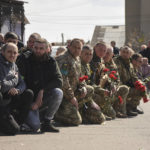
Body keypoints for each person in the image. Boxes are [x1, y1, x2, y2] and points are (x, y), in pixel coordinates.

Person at [17, 38, 63, 132]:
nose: (38, 50)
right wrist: (31, 102)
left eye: (41, 48)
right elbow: (19, 81)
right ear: (32, 47)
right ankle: (23, 119)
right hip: (27, 98)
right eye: (36, 47)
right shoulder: (24, 58)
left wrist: (42, 90)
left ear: (47, 49)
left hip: (42, 97)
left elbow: (59, 80)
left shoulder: (51, 61)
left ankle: (47, 122)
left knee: (58, 92)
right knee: (35, 126)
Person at [0, 43, 33, 135]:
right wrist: (13, 84)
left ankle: (18, 123)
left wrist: (17, 90)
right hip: (2, 100)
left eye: (15, 53)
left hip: (11, 97)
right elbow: (2, 85)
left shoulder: (14, 65)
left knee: (28, 93)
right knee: (13, 130)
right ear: (2, 52)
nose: (12, 55)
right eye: (9, 52)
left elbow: (22, 83)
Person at [114, 46, 147, 116]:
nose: (125, 54)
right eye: (123, 52)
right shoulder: (116, 61)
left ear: (130, 54)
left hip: (128, 84)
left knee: (142, 87)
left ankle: (132, 107)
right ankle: (124, 108)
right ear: (120, 52)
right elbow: (116, 76)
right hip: (120, 85)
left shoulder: (130, 64)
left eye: (127, 52)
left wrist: (139, 83)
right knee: (125, 89)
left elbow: (133, 76)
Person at [90, 41, 116, 119]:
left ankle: (101, 111)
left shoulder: (101, 61)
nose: (102, 52)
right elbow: (89, 82)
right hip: (91, 90)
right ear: (95, 48)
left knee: (112, 114)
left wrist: (111, 85)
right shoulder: (90, 60)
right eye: (100, 49)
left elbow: (105, 76)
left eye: (104, 51)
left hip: (98, 89)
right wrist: (101, 90)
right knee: (101, 118)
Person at [80, 45, 106, 124]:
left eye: (90, 54)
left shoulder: (87, 65)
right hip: (77, 94)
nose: (89, 56)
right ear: (81, 54)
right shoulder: (78, 65)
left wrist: (102, 90)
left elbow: (90, 83)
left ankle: (84, 112)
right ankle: (79, 112)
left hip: (86, 94)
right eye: (86, 54)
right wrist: (91, 102)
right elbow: (82, 85)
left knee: (101, 118)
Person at [103, 46, 129, 118]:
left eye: (108, 53)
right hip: (103, 89)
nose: (105, 55)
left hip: (112, 88)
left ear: (112, 55)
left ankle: (119, 111)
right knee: (112, 115)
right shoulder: (100, 63)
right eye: (105, 52)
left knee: (124, 88)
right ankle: (104, 111)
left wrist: (115, 86)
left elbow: (117, 79)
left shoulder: (113, 65)